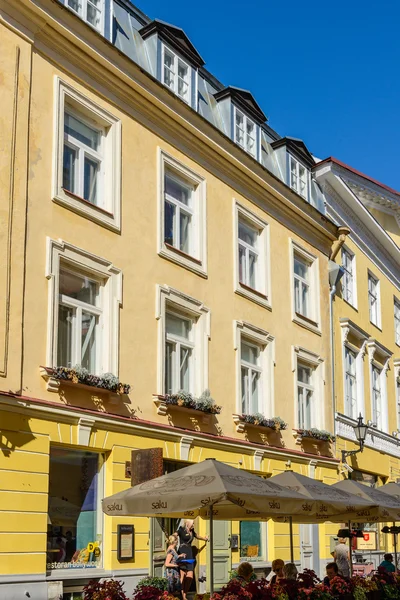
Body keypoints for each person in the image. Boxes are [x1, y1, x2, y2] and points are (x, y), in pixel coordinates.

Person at [176, 519, 209, 600]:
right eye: (192, 523)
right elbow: (175, 534)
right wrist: (171, 538)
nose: (193, 525)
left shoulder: (192, 531)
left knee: (190, 576)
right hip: (182, 553)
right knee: (182, 576)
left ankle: (185, 593)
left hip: (190, 554)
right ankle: (183, 595)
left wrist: (205, 539)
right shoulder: (181, 529)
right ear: (187, 523)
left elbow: (197, 536)